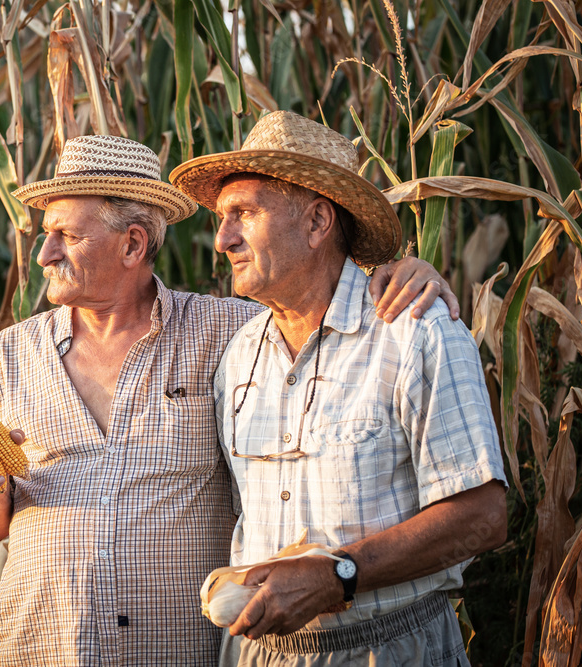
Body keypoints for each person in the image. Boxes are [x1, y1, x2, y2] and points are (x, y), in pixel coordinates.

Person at [0, 134, 455, 666]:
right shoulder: (5, 356)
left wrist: (407, 275)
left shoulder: (232, 335)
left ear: (133, 244)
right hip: (43, 646)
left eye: (65, 236)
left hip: (177, 649)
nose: (44, 254)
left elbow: (315, 305)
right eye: (46, 234)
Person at [169, 110, 507, 666]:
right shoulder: (237, 356)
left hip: (391, 650)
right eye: (221, 219)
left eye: (242, 215)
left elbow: (485, 516)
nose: (221, 240)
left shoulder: (416, 332)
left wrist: (339, 574)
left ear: (317, 221)